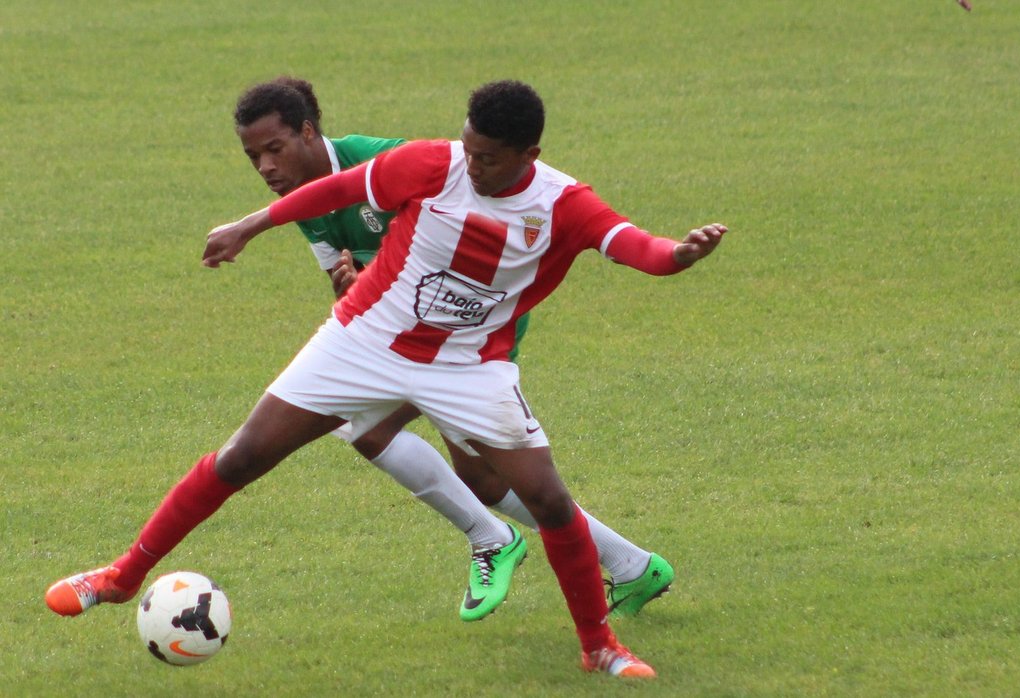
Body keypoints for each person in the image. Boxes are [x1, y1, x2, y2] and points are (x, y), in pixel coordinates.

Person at [46, 79, 726, 678]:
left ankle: (599, 647)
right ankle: (121, 576)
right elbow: (337, 188)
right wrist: (249, 227)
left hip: (469, 366)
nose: (472, 165)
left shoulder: (562, 204)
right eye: (469, 147)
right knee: (242, 456)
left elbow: (634, 246)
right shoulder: (433, 163)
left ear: (530, 155)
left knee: (547, 499)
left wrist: (677, 254)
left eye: (488, 157)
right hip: (363, 340)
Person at [230, 76, 674, 619]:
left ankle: (497, 540)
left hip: (470, 329)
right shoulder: (302, 200)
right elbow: (351, 286)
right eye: (253, 157)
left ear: (306, 133)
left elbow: (456, 222)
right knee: (473, 473)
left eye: (273, 149)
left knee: (379, 433)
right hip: (406, 330)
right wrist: (353, 283)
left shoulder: (379, 159)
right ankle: (630, 565)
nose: (266, 167)